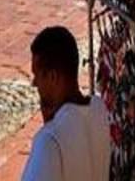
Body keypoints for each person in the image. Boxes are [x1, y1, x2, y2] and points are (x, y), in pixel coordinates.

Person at [20, 26, 110, 181]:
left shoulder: (48, 141)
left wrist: (49, 127)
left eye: (37, 75)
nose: (35, 83)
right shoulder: (99, 109)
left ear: (53, 76)